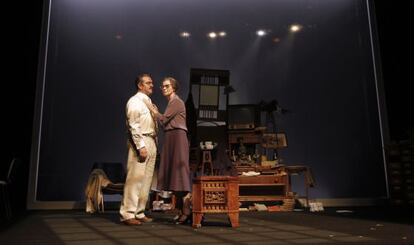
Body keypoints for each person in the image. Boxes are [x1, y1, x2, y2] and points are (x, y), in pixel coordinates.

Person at [145, 77, 191, 224]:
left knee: (179, 173)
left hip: (177, 138)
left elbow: (164, 120)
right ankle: (180, 210)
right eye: (162, 86)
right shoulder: (172, 103)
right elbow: (166, 123)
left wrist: (154, 111)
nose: (163, 88)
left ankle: (187, 210)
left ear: (173, 88)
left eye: (166, 86)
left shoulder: (177, 102)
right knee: (173, 174)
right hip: (171, 137)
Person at [119, 74, 158, 226]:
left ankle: (139, 212)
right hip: (140, 141)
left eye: (152, 83)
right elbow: (134, 125)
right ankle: (128, 214)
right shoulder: (135, 102)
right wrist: (140, 145)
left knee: (147, 180)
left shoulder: (148, 102)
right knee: (135, 179)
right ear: (140, 86)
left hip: (151, 140)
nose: (152, 85)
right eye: (148, 83)